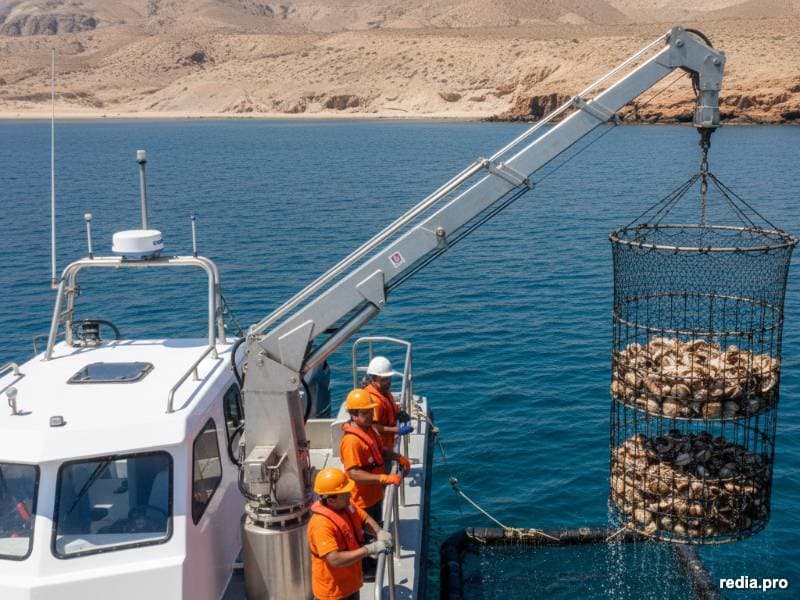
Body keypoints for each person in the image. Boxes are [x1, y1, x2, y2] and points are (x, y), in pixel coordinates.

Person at [339, 388, 410, 577]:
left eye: (371, 411)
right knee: (361, 535)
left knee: (375, 525)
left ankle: (374, 558)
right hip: (361, 498)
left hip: (374, 494)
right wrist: (382, 478)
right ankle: (364, 568)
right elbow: (353, 473)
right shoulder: (352, 442)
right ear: (353, 415)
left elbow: (380, 452)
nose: (370, 415)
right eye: (365, 412)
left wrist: (398, 456)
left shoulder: (369, 430)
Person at [308, 467, 392, 600]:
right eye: (345, 493)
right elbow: (334, 559)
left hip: (351, 584)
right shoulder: (321, 525)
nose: (350, 495)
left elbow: (364, 518)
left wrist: (378, 532)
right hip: (334, 593)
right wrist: (370, 549)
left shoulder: (346, 505)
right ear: (331, 500)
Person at [363, 356, 413, 452]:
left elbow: (389, 407)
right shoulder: (374, 401)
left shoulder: (383, 391)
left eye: (388, 379)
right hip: (379, 447)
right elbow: (371, 426)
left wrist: (399, 413)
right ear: (373, 379)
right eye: (383, 380)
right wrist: (396, 430)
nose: (388, 383)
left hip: (387, 444)